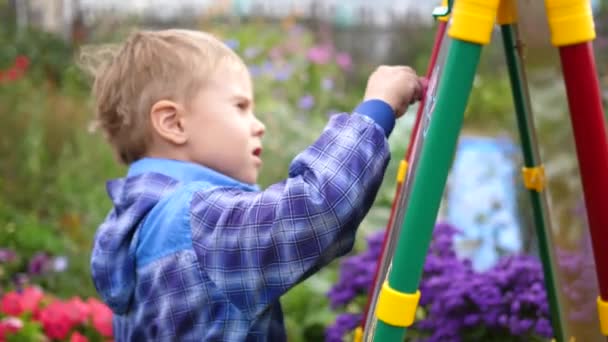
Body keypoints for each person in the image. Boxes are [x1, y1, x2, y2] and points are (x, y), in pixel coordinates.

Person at [87, 28, 424, 341]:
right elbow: (316, 207)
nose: (258, 125)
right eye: (241, 107)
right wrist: (376, 109)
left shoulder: (136, 226)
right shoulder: (195, 222)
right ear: (174, 123)